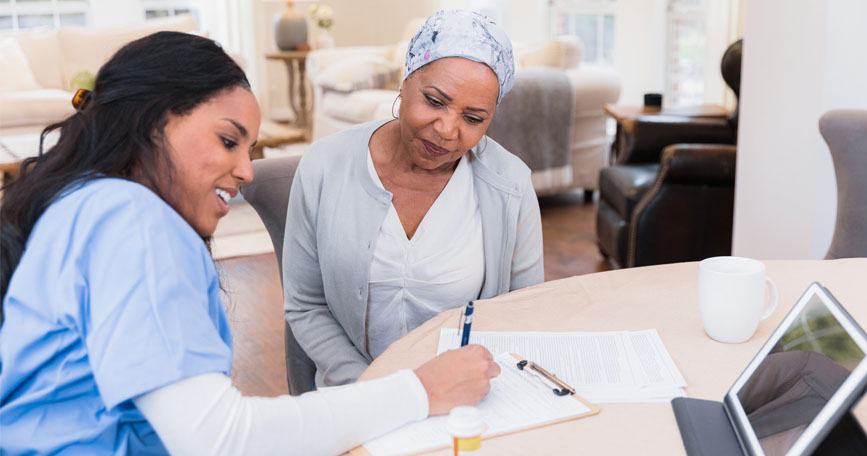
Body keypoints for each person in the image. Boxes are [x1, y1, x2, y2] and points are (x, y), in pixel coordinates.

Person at [0, 31, 500, 455]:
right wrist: (420, 389)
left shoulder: (85, 202)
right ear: (154, 122)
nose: (244, 171)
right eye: (227, 140)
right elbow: (218, 436)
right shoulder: (131, 219)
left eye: (250, 149)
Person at [284, 10, 544, 388]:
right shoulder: (323, 166)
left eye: (473, 118)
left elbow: (523, 311)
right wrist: (375, 388)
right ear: (405, 82)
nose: (446, 130)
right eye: (435, 101)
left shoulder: (511, 184)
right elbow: (306, 305)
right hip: (356, 395)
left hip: (468, 399)